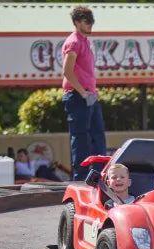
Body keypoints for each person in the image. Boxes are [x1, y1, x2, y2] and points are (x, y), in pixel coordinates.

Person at [62, 6, 105, 181]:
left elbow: (84, 72)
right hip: (77, 96)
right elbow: (67, 71)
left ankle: (98, 176)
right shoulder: (73, 42)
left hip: (89, 96)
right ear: (77, 22)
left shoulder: (86, 41)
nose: (90, 25)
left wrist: (93, 93)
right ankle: (80, 180)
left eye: (92, 22)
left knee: (98, 138)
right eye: (87, 22)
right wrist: (84, 93)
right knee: (81, 140)